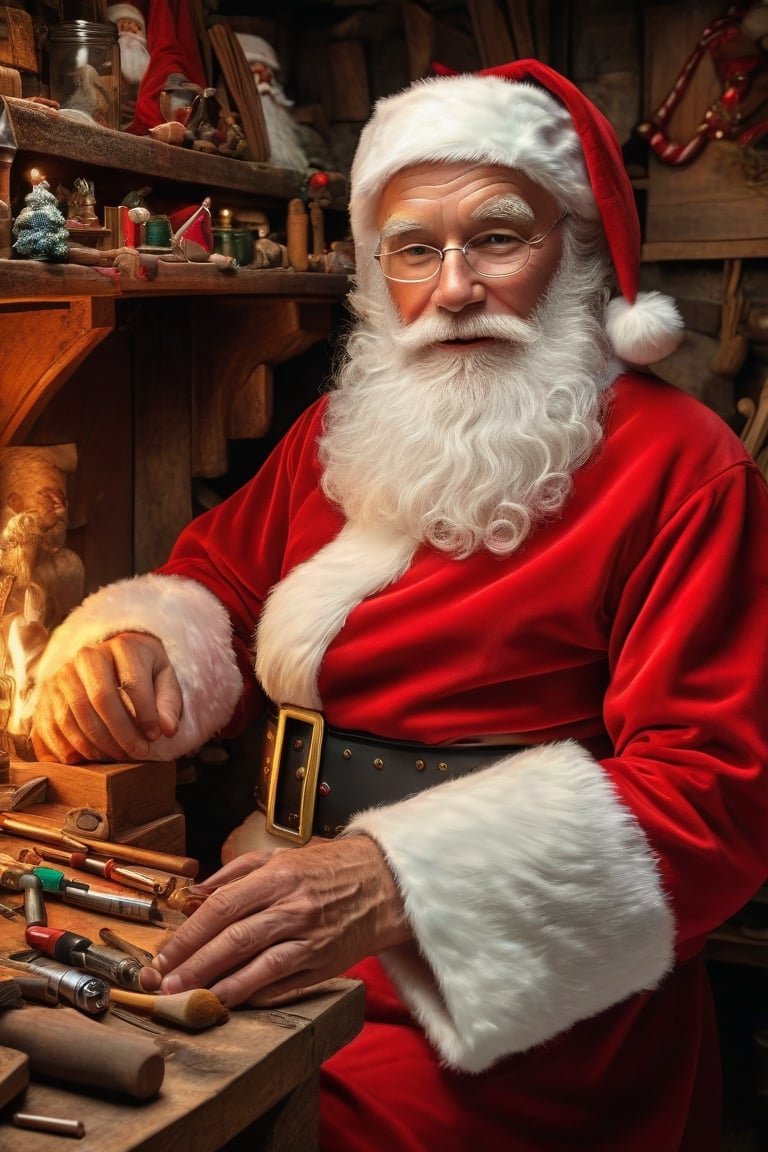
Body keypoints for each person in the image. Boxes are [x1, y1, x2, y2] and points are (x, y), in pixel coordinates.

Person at [29, 59, 768, 1151]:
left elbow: (714, 800)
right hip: (266, 934)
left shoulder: (685, 467)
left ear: (574, 253)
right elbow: (224, 590)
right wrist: (142, 647)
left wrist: (401, 877)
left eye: (498, 239)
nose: (454, 286)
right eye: (415, 249)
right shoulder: (342, 431)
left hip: (515, 1019)